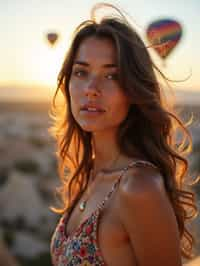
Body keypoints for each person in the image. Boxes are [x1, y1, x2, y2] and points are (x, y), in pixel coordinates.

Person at [49, 3, 198, 266]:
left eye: (112, 76)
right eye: (81, 72)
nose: (91, 89)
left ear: (134, 90)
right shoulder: (89, 173)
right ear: (68, 82)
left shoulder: (139, 187)